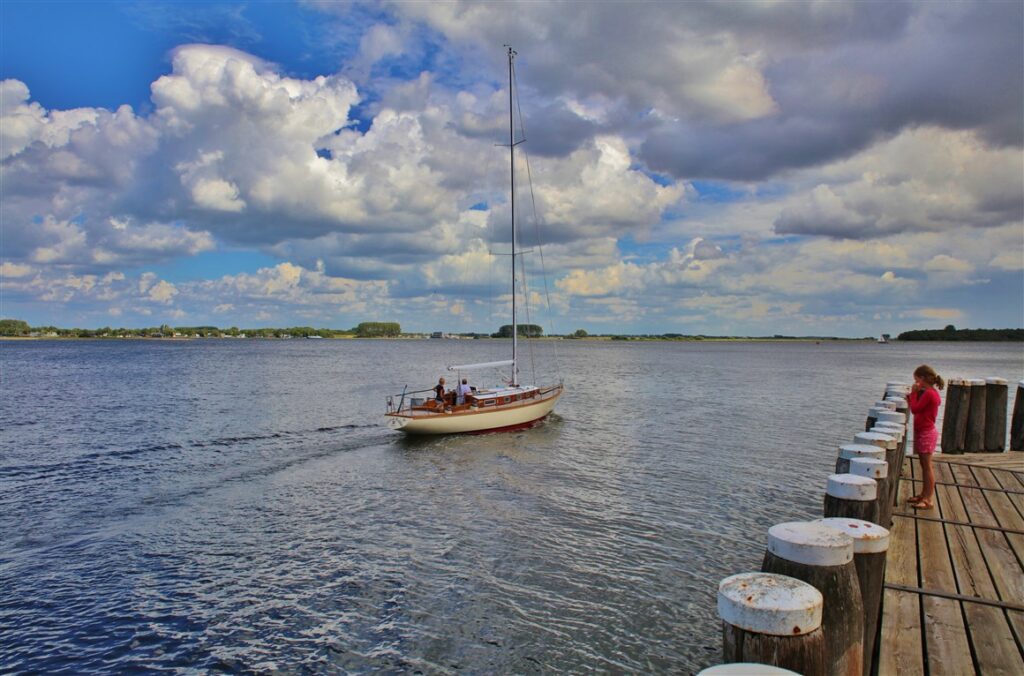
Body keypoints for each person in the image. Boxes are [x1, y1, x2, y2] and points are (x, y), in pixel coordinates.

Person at [907, 364, 944, 509]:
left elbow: (915, 409)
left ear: (922, 379)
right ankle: (923, 494)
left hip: (927, 433)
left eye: (916, 380)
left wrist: (913, 393)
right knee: (923, 465)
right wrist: (915, 394)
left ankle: (928, 499)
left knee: (927, 466)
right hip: (925, 431)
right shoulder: (931, 392)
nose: (915, 383)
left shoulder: (929, 393)